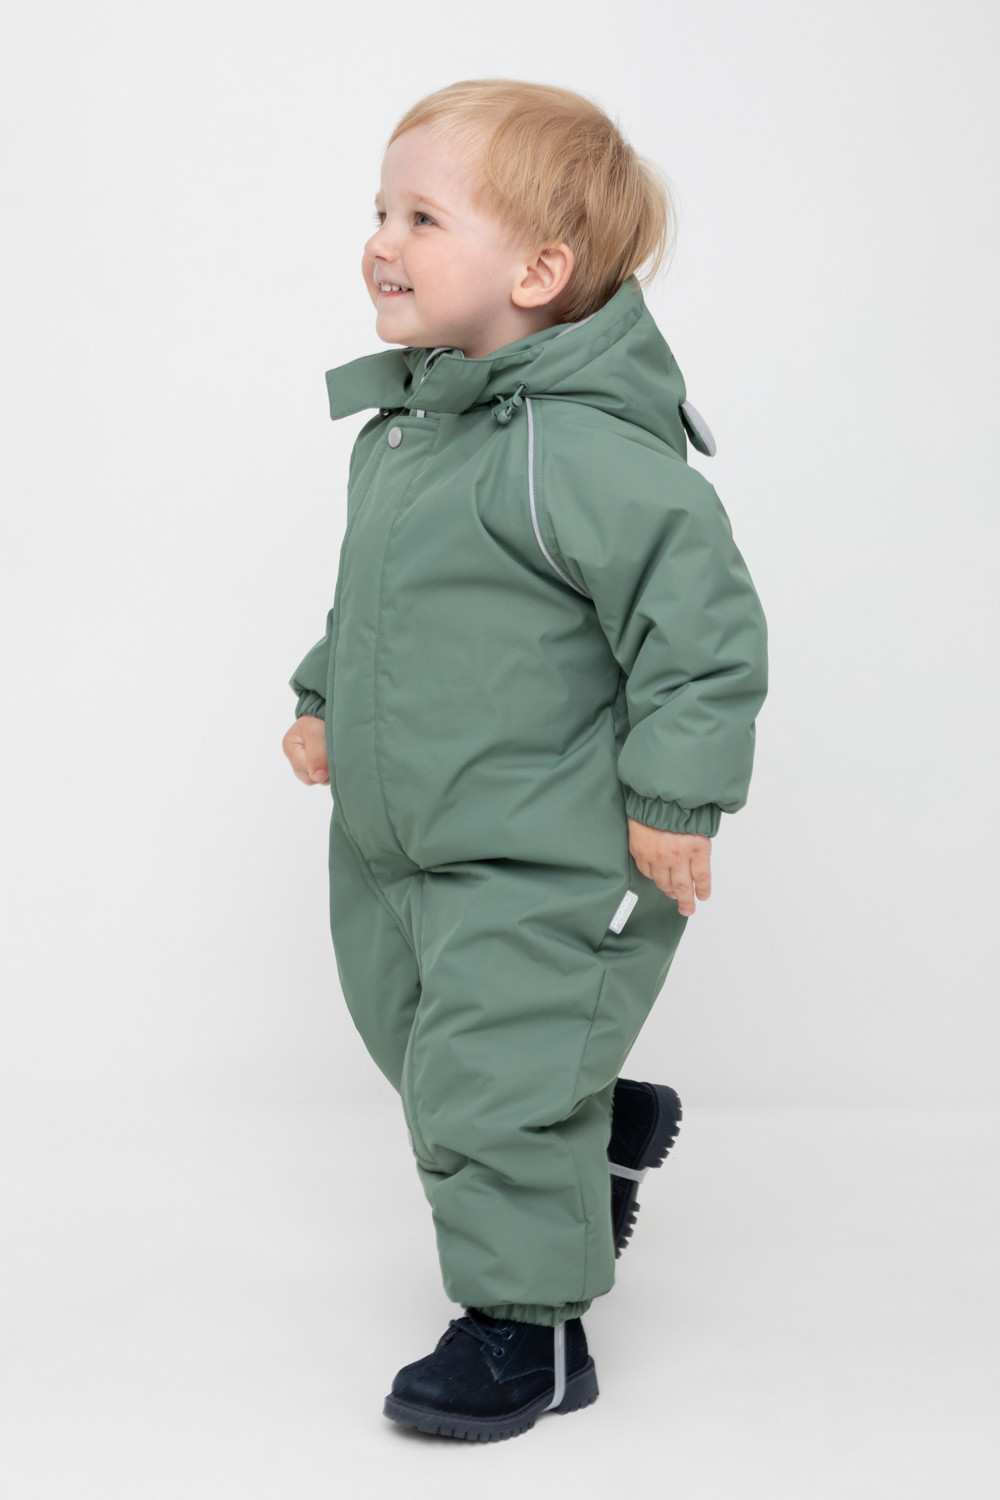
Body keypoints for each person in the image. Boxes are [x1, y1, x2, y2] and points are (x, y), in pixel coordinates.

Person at [281, 79, 768, 1442]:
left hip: (548, 854)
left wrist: (677, 797)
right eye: (381, 211)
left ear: (539, 272)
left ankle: (530, 1334)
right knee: (423, 1046)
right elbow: (376, 602)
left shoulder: (585, 455)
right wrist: (324, 696)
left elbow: (703, 632)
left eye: (423, 218)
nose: (382, 242)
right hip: (401, 844)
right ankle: (591, 1126)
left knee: (486, 1088)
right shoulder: (408, 435)